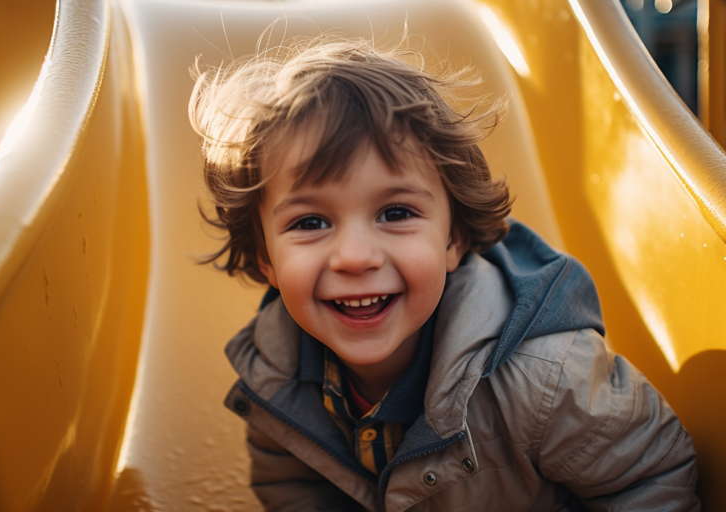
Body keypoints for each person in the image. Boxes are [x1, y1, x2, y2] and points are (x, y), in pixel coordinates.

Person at [188, 34, 699, 511]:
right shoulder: (274, 382)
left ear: (453, 239)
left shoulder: (546, 380)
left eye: (395, 213)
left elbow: (652, 478)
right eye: (311, 222)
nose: (355, 257)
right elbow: (296, 490)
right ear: (265, 260)